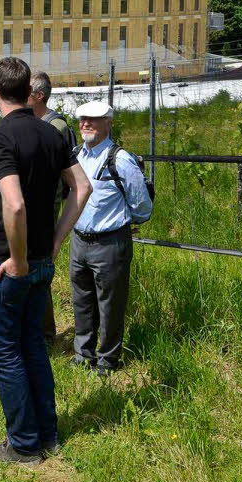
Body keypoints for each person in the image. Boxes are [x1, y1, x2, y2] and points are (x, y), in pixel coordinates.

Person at [0, 58, 90, 466]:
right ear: (29, 92)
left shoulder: (1, 137)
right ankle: (48, 433)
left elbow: (14, 203)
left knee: (6, 352)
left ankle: (24, 445)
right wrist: (57, 241)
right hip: (42, 259)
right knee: (34, 348)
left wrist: (20, 259)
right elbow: (82, 187)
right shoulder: (51, 133)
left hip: (8, 264)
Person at [70, 101, 153, 374]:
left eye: (93, 119)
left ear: (109, 123)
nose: (85, 124)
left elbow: (142, 207)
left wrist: (120, 224)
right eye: (82, 119)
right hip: (79, 241)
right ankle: (83, 355)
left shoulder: (121, 160)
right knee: (81, 300)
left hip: (109, 244)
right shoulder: (75, 156)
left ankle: (107, 360)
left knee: (110, 305)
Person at [27, 72, 78, 343]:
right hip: (30, 205)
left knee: (39, 266)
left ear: (39, 96)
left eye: (27, 91)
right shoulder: (32, 122)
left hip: (47, 206)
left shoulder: (55, 126)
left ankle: (46, 334)